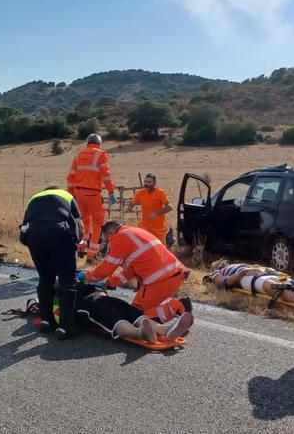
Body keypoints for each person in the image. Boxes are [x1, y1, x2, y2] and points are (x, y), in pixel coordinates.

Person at [78, 221, 190, 323]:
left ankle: (178, 307)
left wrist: (86, 276)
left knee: (136, 316)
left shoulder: (119, 238)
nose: (108, 244)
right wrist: (109, 283)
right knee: (140, 311)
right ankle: (175, 307)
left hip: (159, 281)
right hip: (174, 276)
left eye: (106, 240)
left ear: (110, 233)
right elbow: (130, 271)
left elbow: (105, 269)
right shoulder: (134, 232)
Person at [20, 185, 84, 339]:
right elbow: (79, 225)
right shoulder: (67, 196)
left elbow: (24, 228)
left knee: (45, 279)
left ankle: (46, 321)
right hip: (59, 235)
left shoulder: (33, 199)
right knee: (68, 280)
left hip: (34, 239)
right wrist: (77, 244)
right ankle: (65, 327)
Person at [74, 282, 193, 343]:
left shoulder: (74, 277)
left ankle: (165, 330)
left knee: (132, 312)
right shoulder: (64, 284)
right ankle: (140, 333)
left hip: (106, 297)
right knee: (113, 317)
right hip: (89, 304)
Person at [67, 134, 117, 259]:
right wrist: (111, 192)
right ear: (99, 144)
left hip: (78, 193)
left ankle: (81, 249)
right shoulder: (101, 154)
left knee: (84, 222)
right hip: (93, 194)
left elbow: (70, 176)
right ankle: (91, 255)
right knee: (98, 223)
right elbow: (106, 176)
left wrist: (72, 194)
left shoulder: (78, 155)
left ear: (87, 143)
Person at [207, 260, 294, 308]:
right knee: (272, 285)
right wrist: (244, 272)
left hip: (263, 273)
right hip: (247, 277)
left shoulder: (237, 265)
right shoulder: (217, 273)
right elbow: (222, 284)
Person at [128, 173, 173, 245]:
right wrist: (130, 208)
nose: (146, 184)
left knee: (159, 248)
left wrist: (156, 214)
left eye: (149, 182)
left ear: (154, 183)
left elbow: (169, 207)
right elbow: (133, 203)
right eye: (145, 181)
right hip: (145, 226)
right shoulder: (140, 193)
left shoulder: (160, 193)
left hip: (158, 228)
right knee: (144, 246)